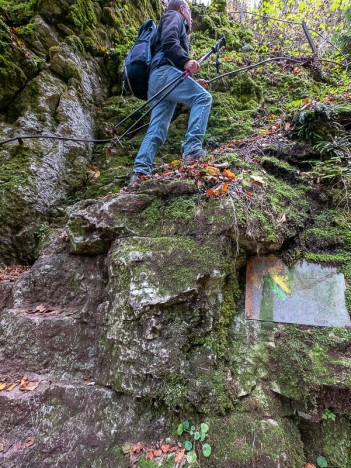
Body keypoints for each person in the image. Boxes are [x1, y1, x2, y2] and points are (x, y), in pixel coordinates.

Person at [129, 0, 212, 186]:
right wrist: (185, 61)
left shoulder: (169, 19)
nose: (191, 19)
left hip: (156, 82)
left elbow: (166, 53)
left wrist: (191, 80)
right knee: (203, 98)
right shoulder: (174, 16)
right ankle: (192, 150)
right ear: (183, 10)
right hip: (164, 74)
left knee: (157, 129)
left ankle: (139, 173)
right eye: (189, 12)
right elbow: (169, 41)